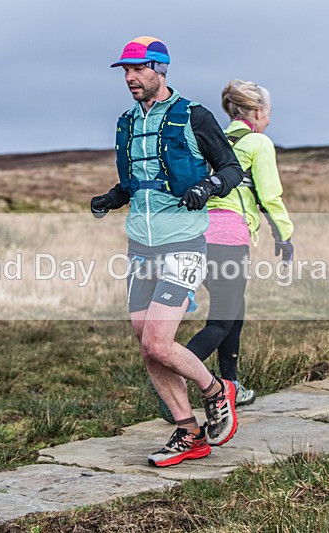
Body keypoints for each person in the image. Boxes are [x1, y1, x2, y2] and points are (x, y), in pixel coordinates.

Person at [91, 36, 245, 467]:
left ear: (161, 68)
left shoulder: (192, 116)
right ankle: (187, 430)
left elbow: (231, 169)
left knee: (160, 342)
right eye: (125, 71)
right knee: (146, 343)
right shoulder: (125, 121)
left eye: (137, 69)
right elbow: (136, 182)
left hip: (183, 242)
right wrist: (112, 197)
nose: (129, 78)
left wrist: (207, 187)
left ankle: (217, 392)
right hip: (140, 244)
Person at [157, 80, 295, 422]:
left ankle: (232, 384)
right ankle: (172, 384)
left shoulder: (214, 138)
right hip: (228, 238)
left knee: (235, 309)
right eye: (269, 113)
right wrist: (284, 235)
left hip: (196, 234)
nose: (269, 120)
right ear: (257, 112)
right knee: (221, 319)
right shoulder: (258, 143)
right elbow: (269, 195)